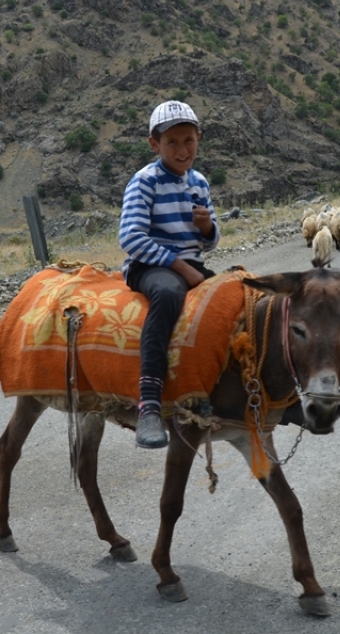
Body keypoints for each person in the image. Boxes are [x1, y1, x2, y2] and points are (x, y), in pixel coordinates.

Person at [118, 100, 220, 449]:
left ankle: (225, 388)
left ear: (198, 139)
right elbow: (131, 238)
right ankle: (149, 404)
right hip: (150, 265)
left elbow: (209, 243)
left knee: (238, 296)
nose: (182, 149)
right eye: (172, 142)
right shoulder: (144, 181)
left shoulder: (200, 182)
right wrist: (179, 266)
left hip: (190, 263)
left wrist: (208, 228)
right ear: (154, 144)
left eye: (188, 140)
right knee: (168, 294)